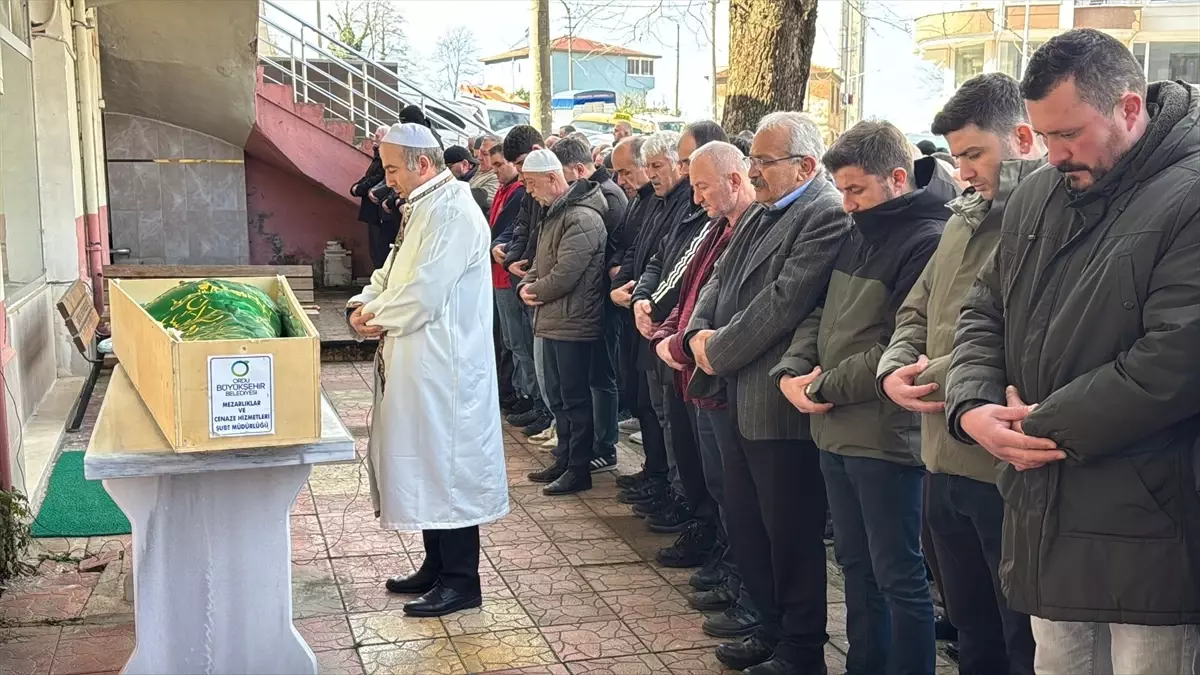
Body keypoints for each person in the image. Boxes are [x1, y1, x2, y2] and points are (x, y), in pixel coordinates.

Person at [945, 29, 1200, 675]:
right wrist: (973, 405)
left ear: (1130, 109)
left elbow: (1174, 359)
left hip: (1150, 521)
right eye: (1044, 135)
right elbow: (984, 309)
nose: (1053, 154)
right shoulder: (1038, 193)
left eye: (1069, 134)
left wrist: (1033, 425)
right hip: (1043, 504)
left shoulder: (1188, 197)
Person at [773, 119, 954, 675]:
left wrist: (821, 384)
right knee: (855, 564)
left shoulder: (927, 238)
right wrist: (794, 367)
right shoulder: (858, 228)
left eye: (855, 189)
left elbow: (898, 349)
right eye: (842, 189)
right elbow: (821, 311)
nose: (845, 203)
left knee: (898, 575)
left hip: (885, 435)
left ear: (897, 178)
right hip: (835, 426)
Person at [878, 72, 1043, 675]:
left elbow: (1012, 328)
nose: (963, 169)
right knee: (971, 628)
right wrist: (895, 366)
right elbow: (916, 309)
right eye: (956, 156)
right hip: (939, 456)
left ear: (1022, 137)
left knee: (1017, 635)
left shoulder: (1040, 219)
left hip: (997, 465)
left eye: (975, 153)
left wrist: (928, 377)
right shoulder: (959, 220)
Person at [685, 112, 847, 675]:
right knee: (748, 522)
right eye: (751, 159)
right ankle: (769, 628)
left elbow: (785, 300)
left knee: (790, 532)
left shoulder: (823, 213)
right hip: (735, 390)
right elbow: (717, 277)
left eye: (763, 161)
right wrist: (696, 334)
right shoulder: (763, 208)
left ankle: (802, 649)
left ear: (805, 165)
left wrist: (717, 349)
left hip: (776, 402)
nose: (752, 170)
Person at [346, 123, 507, 618]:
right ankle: (436, 564)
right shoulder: (422, 208)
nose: (386, 178)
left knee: (448, 468)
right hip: (419, 362)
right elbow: (391, 274)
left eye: (392, 167)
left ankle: (462, 581)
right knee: (425, 461)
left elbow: (424, 293)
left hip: (446, 369)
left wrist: (374, 316)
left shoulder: (454, 212)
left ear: (421, 163)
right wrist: (363, 302)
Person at [650, 140, 762, 640]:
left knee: (740, 497)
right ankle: (729, 563)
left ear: (734, 180)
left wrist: (688, 342)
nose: (695, 199)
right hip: (698, 372)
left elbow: (752, 310)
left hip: (724, 378)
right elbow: (693, 291)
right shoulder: (718, 227)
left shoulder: (751, 227)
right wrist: (671, 332)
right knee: (721, 488)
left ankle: (744, 579)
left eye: (701, 186)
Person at [632, 122, 727, 568]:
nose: (691, 182)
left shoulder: (724, 217)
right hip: (678, 343)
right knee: (684, 443)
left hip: (707, 356)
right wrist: (645, 302)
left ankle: (714, 540)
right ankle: (698, 520)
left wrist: (680, 335)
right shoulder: (690, 211)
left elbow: (709, 287)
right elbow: (663, 264)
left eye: (691, 166)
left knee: (719, 473)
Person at [612, 131, 693, 522]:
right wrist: (632, 290)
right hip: (649, 319)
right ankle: (660, 477)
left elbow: (681, 266)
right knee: (653, 409)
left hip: (669, 325)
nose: (651, 174)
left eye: (657, 166)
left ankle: (676, 492)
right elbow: (651, 257)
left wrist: (651, 304)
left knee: (669, 418)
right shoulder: (658, 203)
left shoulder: (686, 204)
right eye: (649, 167)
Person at [518, 149, 609, 496]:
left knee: (574, 398)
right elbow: (542, 264)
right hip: (554, 318)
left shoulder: (582, 218)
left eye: (532, 184)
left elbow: (565, 275)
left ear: (554, 179)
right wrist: (527, 284)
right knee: (558, 396)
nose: (529, 191)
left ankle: (578, 468)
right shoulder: (557, 213)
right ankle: (565, 457)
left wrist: (533, 290)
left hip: (573, 322)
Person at [552, 138, 628, 473]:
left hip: (604, 301)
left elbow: (612, 248)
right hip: (595, 299)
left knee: (601, 376)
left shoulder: (609, 197)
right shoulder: (598, 193)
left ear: (580, 170)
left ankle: (605, 444)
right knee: (591, 377)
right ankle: (594, 441)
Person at [500, 125, 556, 439]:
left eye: (520, 164)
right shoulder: (530, 193)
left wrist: (532, 280)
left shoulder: (551, 192)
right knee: (524, 349)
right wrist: (508, 255)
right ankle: (541, 407)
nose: (519, 173)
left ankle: (550, 415)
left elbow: (552, 248)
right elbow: (522, 229)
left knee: (548, 365)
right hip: (525, 282)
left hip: (547, 294)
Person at [487, 144, 538, 422]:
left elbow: (518, 232)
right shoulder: (505, 191)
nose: (495, 171)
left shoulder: (519, 192)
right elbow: (507, 230)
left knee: (521, 343)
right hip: (501, 276)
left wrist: (501, 249)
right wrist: (497, 244)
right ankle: (522, 394)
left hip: (512, 278)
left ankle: (530, 398)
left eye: (499, 165)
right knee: (512, 341)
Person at [350, 125, 389, 236]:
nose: (373, 139)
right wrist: (356, 187)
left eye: (377, 136)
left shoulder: (384, 157)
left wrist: (359, 188)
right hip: (373, 208)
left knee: (379, 246)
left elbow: (378, 177)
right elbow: (369, 176)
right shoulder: (378, 156)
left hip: (378, 208)